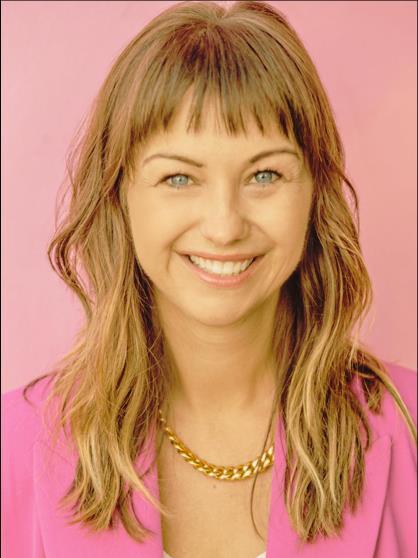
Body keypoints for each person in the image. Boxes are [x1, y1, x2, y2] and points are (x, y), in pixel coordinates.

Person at [2, 1, 416, 557]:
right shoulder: (12, 445)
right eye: (179, 178)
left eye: (264, 174)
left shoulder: (410, 428)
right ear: (119, 196)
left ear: (314, 193)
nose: (224, 226)